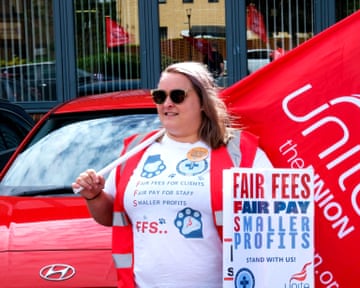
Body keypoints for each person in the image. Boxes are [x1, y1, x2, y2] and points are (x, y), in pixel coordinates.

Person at [72, 61, 272, 288]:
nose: (167, 103)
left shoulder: (240, 152)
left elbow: (273, 223)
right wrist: (94, 196)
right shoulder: (136, 150)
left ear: (203, 102)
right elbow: (109, 217)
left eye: (177, 96)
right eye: (159, 96)